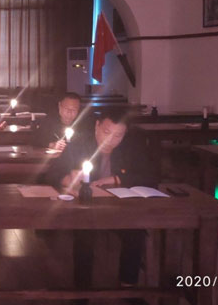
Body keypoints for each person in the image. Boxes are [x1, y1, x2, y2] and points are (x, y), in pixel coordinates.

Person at [44, 109, 157, 294]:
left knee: (135, 231)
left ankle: (128, 287)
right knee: (84, 234)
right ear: (97, 125)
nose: (110, 140)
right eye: (106, 132)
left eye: (118, 135)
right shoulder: (79, 143)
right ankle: (82, 291)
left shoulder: (132, 145)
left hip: (121, 208)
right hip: (87, 207)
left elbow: (151, 176)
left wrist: (117, 179)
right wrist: (67, 178)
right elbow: (51, 173)